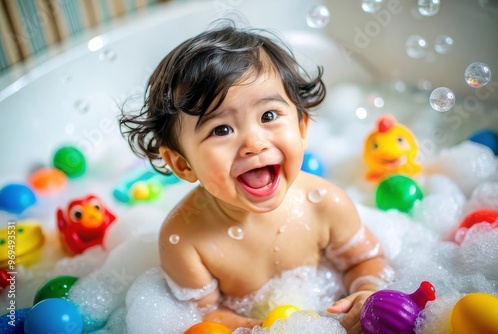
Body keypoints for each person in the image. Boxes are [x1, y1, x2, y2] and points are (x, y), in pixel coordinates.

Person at [119, 21, 393, 333]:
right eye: (221, 129)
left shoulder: (325, 203)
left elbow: (365, 261)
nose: (254, 143)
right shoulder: (184, 240)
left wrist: (367, 293)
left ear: (302, 128)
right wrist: (257, 328)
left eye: (268, 116)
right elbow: (207, 313)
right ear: (182, 164)